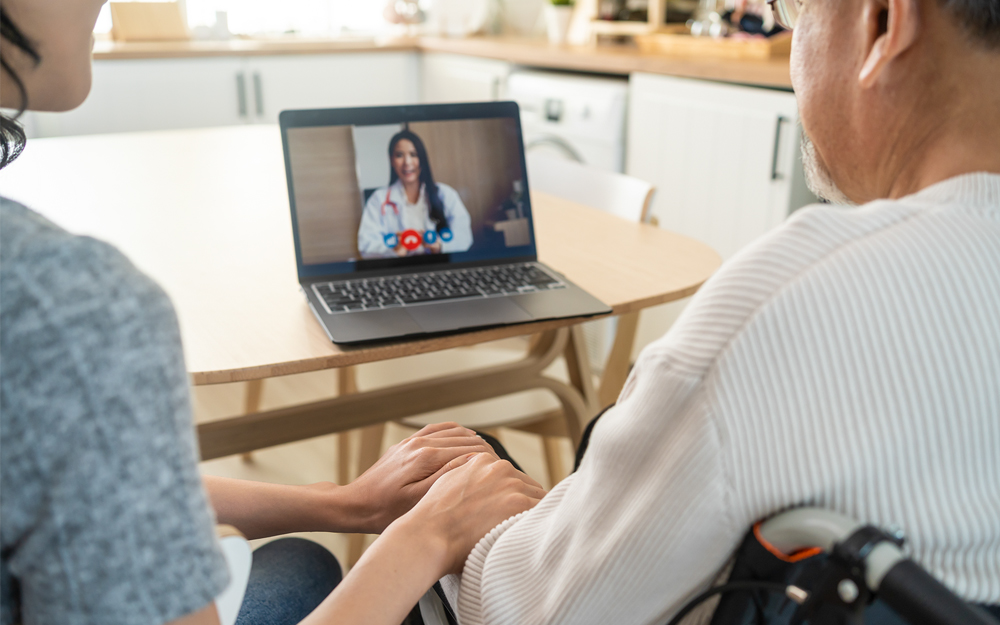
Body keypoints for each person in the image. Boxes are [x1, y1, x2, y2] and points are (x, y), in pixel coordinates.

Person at [445, 0, 1000, 623]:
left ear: (880, 23)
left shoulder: (796, 296)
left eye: (794, 10)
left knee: (460, 466)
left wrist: (454, 529)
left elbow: (540, 613)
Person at [0, 3, 545, 625]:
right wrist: (426, 539)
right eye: (398, 160)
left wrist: (346, 505)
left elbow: (93, 491)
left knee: (299, 565)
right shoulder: (68, 311)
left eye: (413, 159)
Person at [357, 130, 473, 259]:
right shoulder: (378, 199)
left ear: (422, 159)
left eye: (413, 154)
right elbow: (365, 246)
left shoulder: (445, 194)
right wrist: (393, 250)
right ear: (391, 160)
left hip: (438, 264)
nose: (407, 162)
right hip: (398, 268)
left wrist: (440, 245)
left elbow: (464, 236)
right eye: (399, 155)